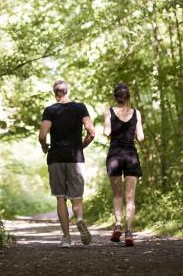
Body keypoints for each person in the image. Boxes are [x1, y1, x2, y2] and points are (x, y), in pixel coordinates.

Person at [38, 79, 96, 248]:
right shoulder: (80, 107)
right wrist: (81, 146)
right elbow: (91, 132)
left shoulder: (50, 110)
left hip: (56, 157)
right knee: (76, 196)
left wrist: (44, 147)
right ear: (67, 91)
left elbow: (42, 136)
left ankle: (66, 238)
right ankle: (79, 219)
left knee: (61, 198)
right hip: (75, 157)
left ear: (54, 93)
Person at [103, 83, 144, 247]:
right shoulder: (136, 113)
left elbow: (106, 132)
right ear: (128, 97)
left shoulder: (109, 111)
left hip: (114, 154)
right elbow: (140, 137)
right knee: (130, 197)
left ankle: (118, 225)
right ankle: (128, 231)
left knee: (117, 195)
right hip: (131, 155)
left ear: (115, 97)